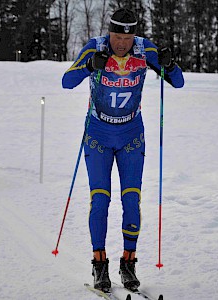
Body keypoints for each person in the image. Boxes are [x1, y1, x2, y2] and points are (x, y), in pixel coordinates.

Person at [62, 8, 184, 292]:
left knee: (131, 200)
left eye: (126, 39)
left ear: (134, 36)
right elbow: (66, 81)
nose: (121, 44)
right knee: (100, 200)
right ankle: (99, 264)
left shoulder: (144, 49)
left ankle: (128, 264)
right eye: (117, 37)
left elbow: (177, 81)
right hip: (98, 136)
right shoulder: (96, 46)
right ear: (110, 33)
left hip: (131, 136)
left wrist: (170, 64)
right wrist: (90, 65)